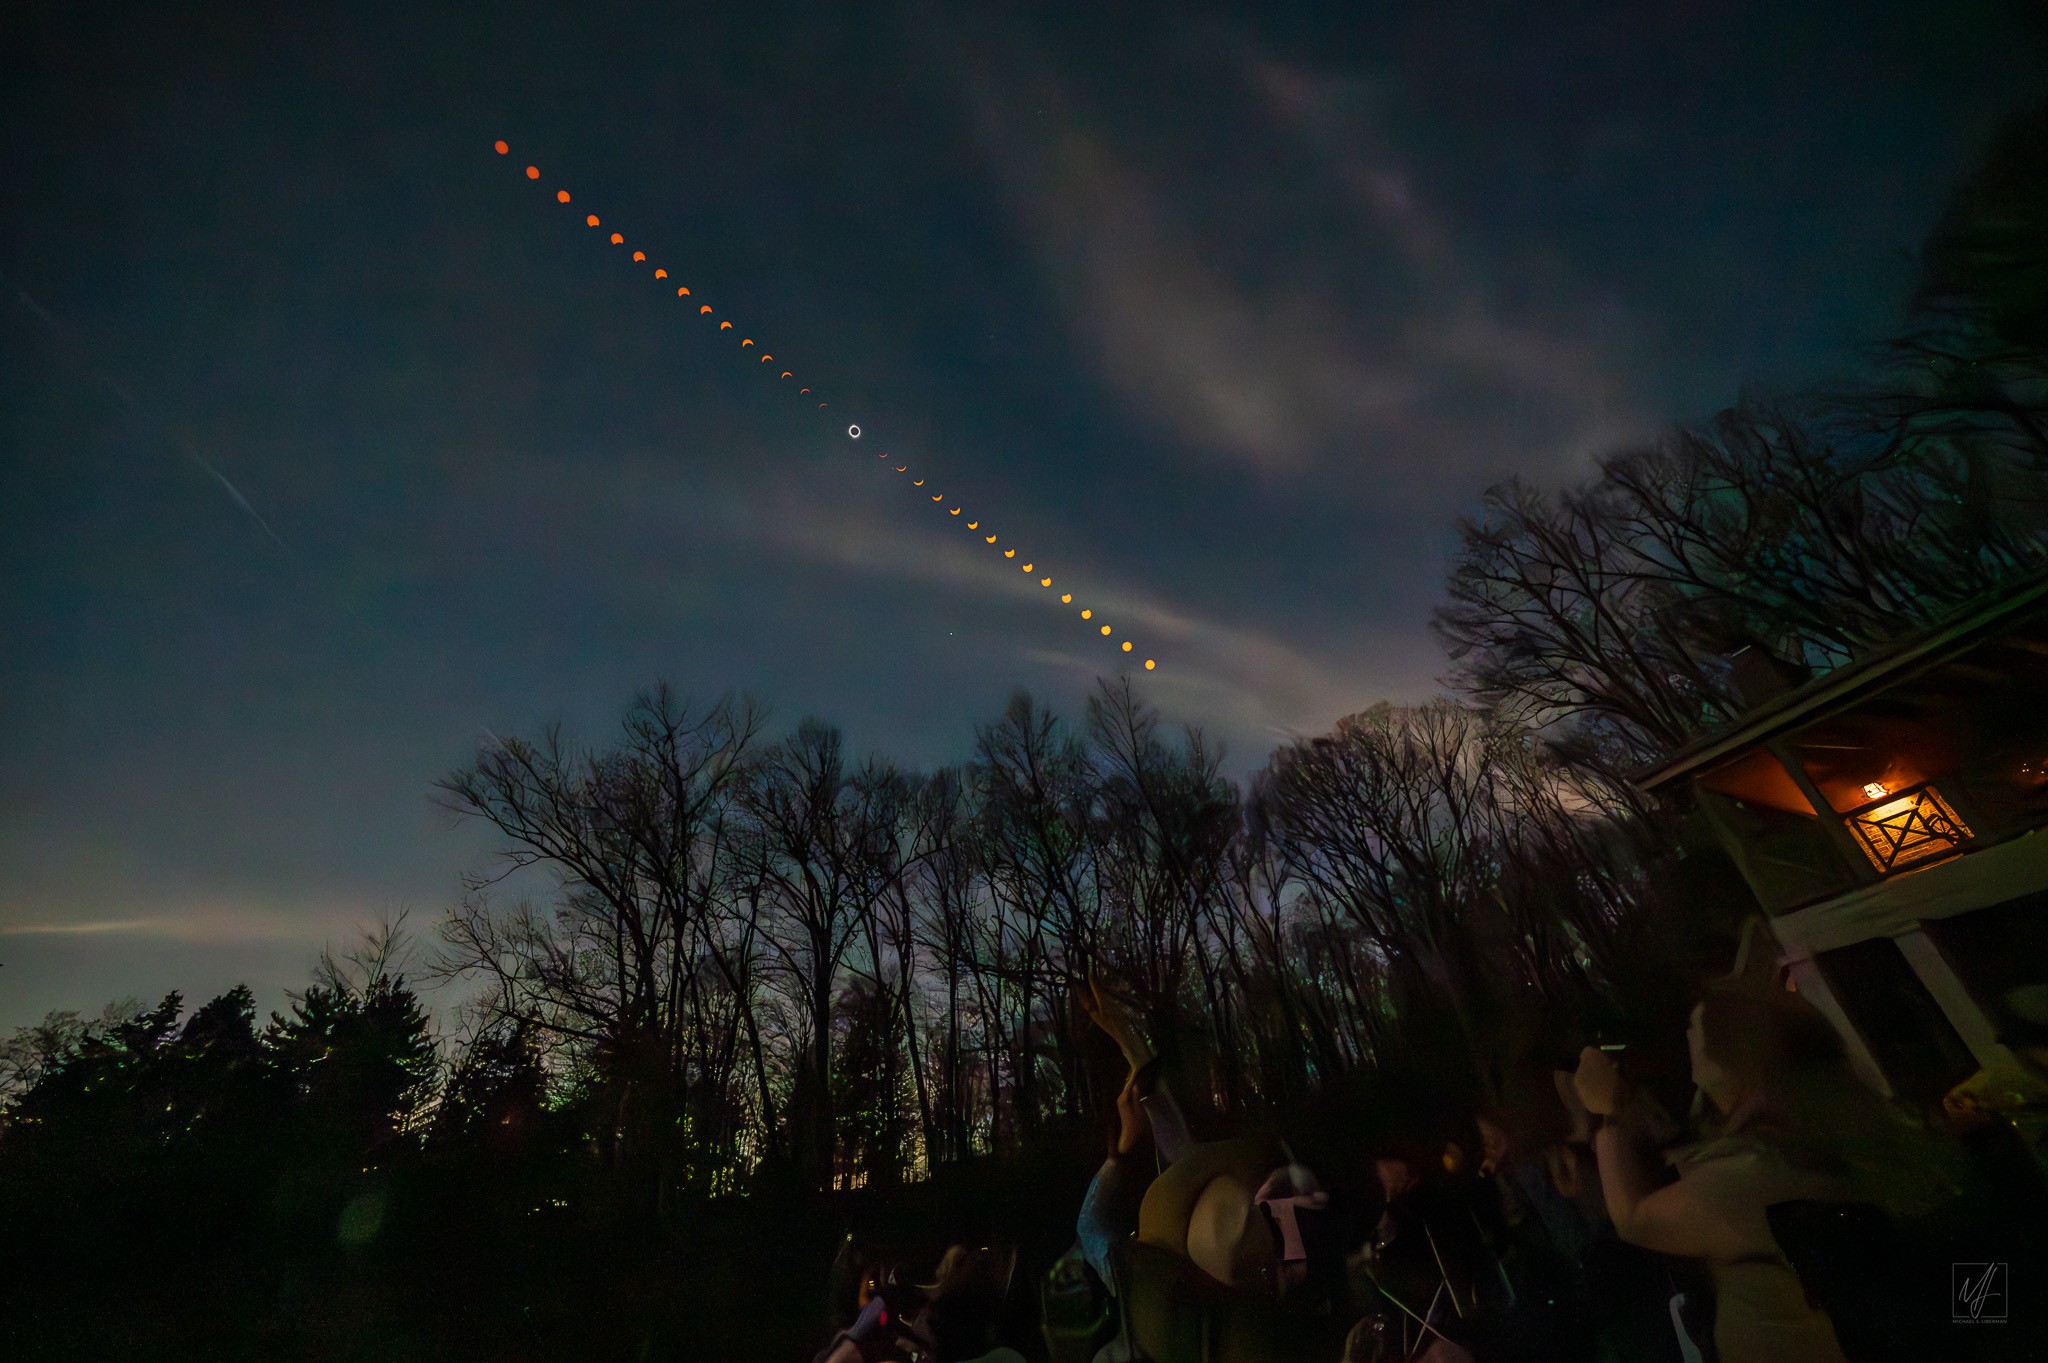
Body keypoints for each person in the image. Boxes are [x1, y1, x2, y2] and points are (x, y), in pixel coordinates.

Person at [1573, 979, 1965, 1363]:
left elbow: (1637, 1219)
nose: (1687, 1035)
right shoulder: (1841, 1129)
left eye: (1696, 1026)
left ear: (1733, 1057)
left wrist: (1608, 1112)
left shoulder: (1758, 1171)